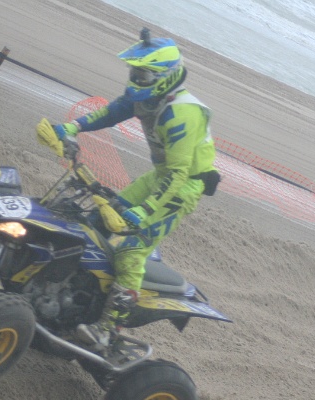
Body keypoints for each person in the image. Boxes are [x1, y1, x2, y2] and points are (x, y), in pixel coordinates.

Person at [50, 28, 220, 351]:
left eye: (142, 74)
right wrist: (74, 127)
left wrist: (145, 210)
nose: (135, 79)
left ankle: (107, 328)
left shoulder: (182, 112)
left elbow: (179, 172)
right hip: (160, 176)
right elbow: (112, 112)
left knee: (131, 248)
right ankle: (76, 296)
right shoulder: (148, 97)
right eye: (134, 72)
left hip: (183, 186)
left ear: (164, 76)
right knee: (98, 217)